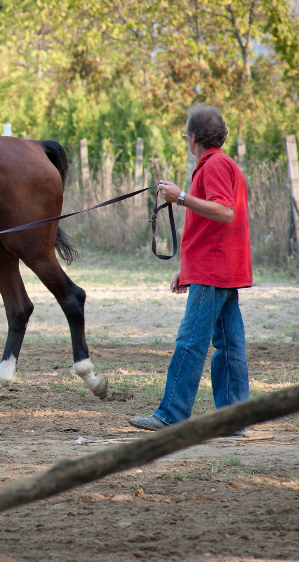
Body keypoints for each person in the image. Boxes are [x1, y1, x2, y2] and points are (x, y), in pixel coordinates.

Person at [130, 104, 252, 434]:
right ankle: (234, 420)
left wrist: (180, 196)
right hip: (221, 267)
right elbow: (212, 222)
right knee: (229, 346)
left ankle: (171, 415)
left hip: (214, 269)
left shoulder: (213, 166)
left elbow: (224, 212)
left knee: (190, 342)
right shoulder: (224, 164)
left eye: (186, 135)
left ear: (193, 137)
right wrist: (186, 269)